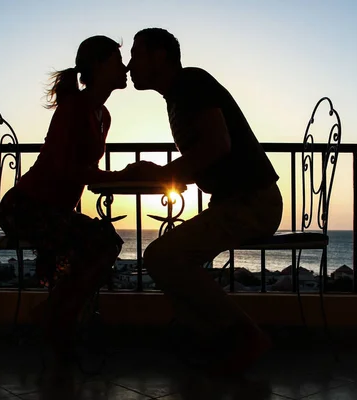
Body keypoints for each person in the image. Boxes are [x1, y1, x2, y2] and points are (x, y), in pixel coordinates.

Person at [126, 28, 283, 374]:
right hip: (238, 201)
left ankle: (244, 336)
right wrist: (165, 172)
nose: (129, 64)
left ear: (160, 55)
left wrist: (166, 173)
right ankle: (215, 340)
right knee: (168, 259)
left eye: (136, 54)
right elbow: (208, 154)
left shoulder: (189, 84)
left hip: (252, 201)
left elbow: (217, 146)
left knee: (162, 256)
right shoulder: (179, 93)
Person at [0, 35, 131, 364]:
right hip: (24, 207)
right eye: (117, 59)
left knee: (105, 242)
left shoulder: (104, 115)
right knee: (100, 244)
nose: (124, 66)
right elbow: (65, 168)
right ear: (99, 66)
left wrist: (121, 176)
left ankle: (55, 316)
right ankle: (60, 321)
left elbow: (84, 170)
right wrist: (120, 176)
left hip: (52, 211)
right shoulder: (74, 107)